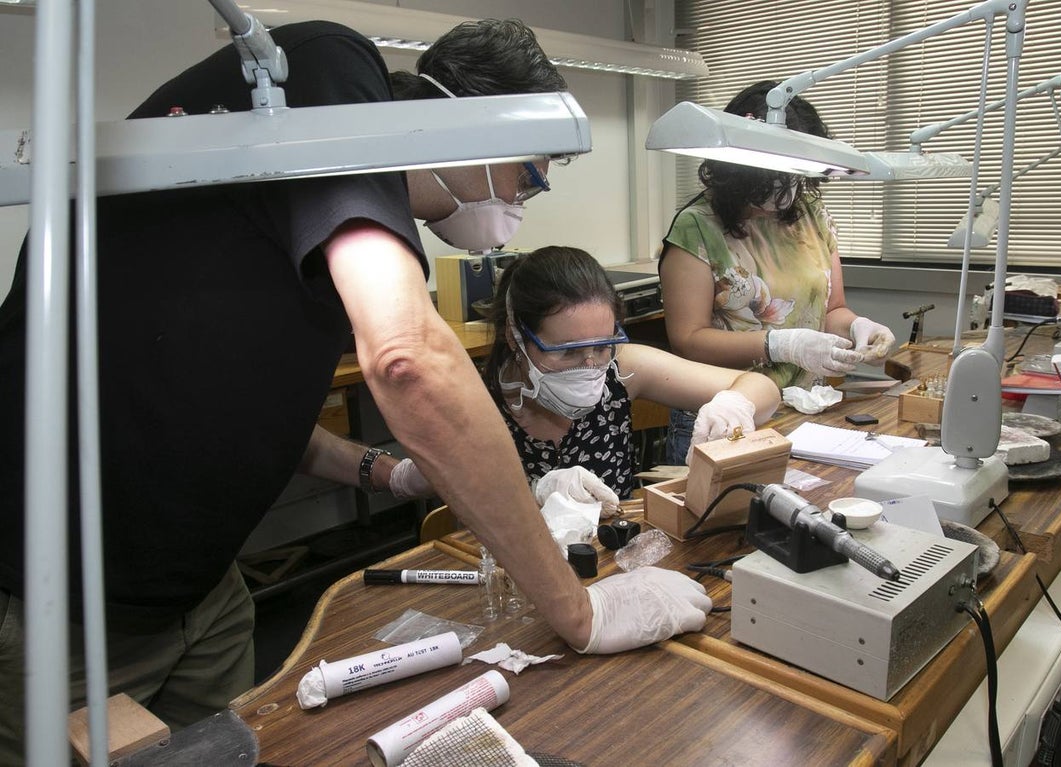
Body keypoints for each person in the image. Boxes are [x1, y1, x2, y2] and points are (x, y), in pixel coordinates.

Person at [0, 19, 710, 764]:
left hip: (206, 595)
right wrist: (578, 608)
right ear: (461, 124)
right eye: (531, 168)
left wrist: (388, 470)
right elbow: (407, 359)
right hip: (63, 603)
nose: (527, 194)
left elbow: (254, 414)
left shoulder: (318, 230)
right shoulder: (321, 69)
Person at [658, 80, 896, 465]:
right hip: (727, 416)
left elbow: (832, 310)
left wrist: (857, 327)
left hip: (805, 409)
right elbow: (687, 341)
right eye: (770, 177)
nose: (784, 187)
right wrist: (779, 345)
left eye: (794, 176)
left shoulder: (812, 216)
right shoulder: (696, 227)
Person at [477, 246, 781, 507]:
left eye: (603, 346)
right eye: (568, 352)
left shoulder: (622, 368)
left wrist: (735, 404)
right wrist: (534, 494)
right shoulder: (474, 400)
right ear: (515, 337)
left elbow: (764, 388)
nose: (589, 365)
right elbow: (466, 505)